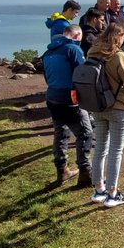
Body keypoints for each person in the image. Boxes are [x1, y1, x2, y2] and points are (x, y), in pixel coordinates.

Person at [87, 24, 124, 208]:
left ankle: (98, 190)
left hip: (97, 107)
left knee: (100, 148)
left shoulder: (92, 53)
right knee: (116, 151)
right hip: (118, 107)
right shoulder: (119, 56)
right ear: (119, 37)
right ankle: (112, 194)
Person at [42, 25, 93, 188]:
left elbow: (47, 77)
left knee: (61, 132)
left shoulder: (48, 52)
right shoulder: (73, 49)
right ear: (77, 35)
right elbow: (82, 73)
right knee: (85, 133)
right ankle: (85, 173)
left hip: (52, 97)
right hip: (70, 99)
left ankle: (62, 170)